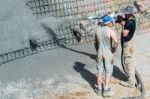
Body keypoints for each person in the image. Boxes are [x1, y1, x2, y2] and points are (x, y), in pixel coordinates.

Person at [94, 16, 118, 97]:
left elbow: (95, 43)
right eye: (112, 22)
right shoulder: (110, 30)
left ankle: (99, 90)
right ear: (109, 23)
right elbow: (116, 42)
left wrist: (98, 50)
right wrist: (113, 49)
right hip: (108, 53)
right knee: (108, 71)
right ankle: (106, 90)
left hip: (100, 53)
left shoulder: (97, 30)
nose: (113, 23)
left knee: (100, 71)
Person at [119, 5, 137, 88]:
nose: (124, 15)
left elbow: (124, 34)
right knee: (130, 61)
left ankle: (131, 82)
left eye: (125, 13)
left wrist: (123, 25)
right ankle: (132, 80)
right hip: (131, 43)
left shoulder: (130, 22)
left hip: (128, 44)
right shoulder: (132, 19)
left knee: (128, 62)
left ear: (129, 14)